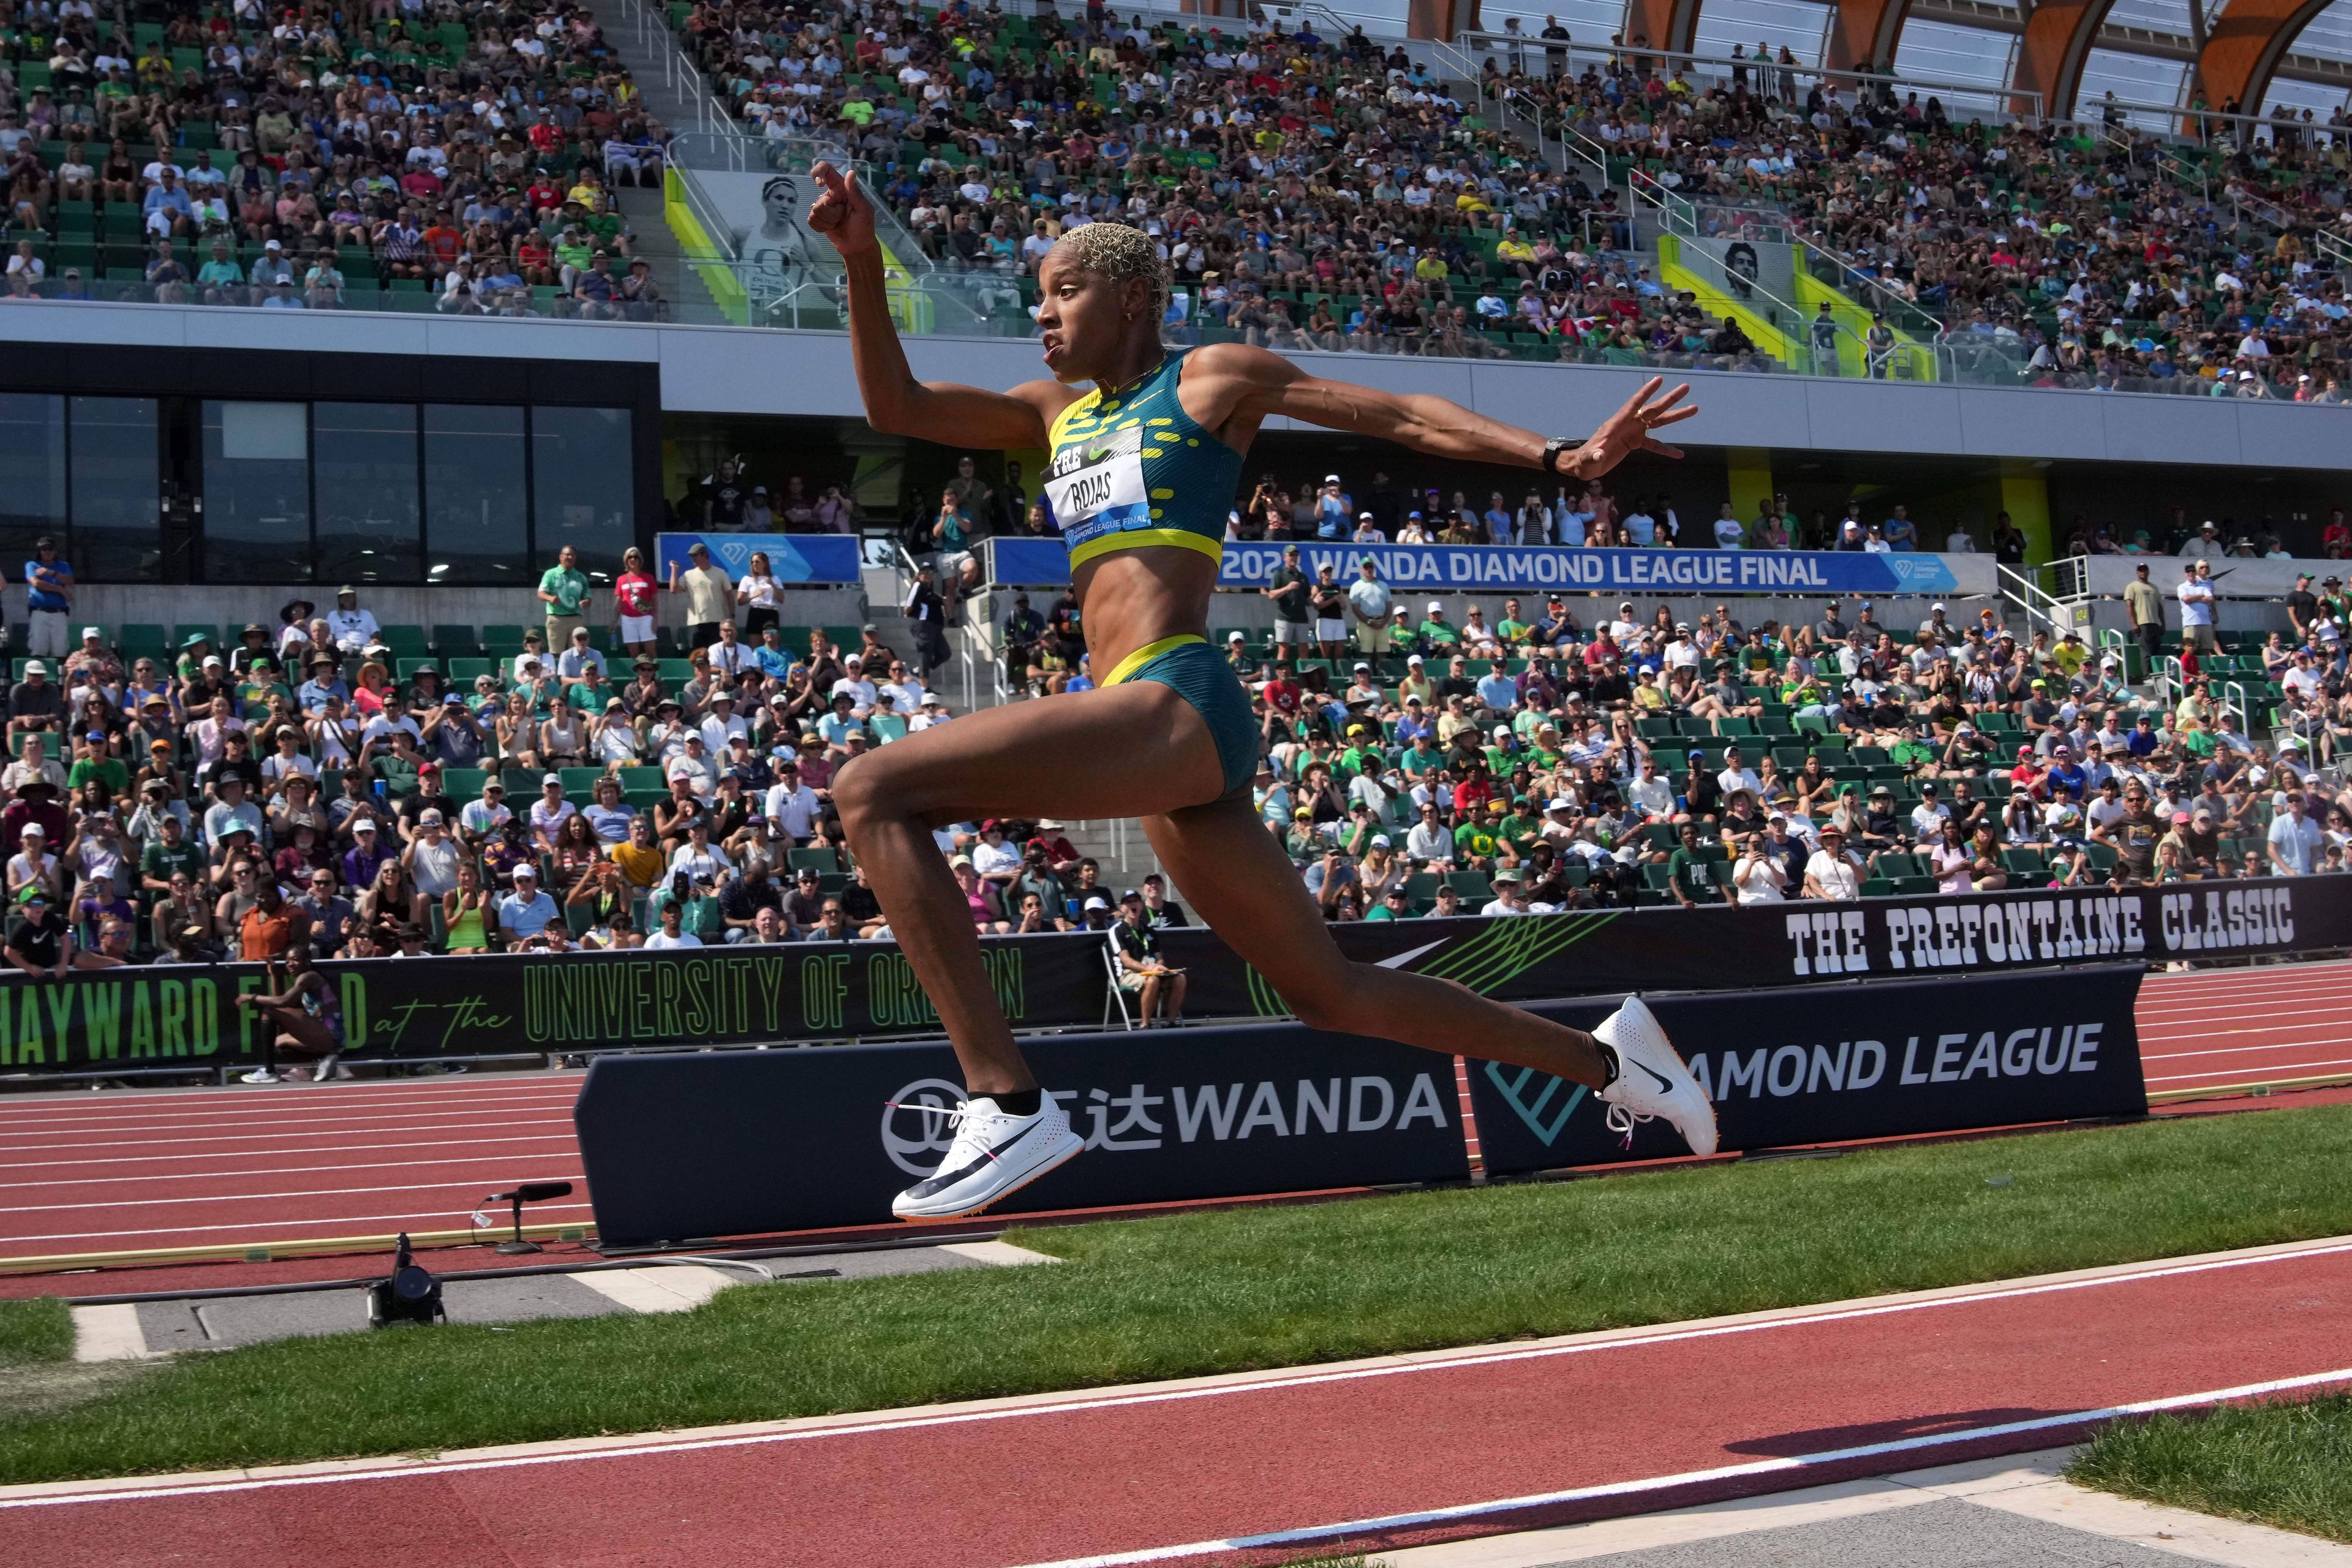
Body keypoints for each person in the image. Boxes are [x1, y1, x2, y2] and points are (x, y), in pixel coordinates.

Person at [808, 163, 1716, 1221]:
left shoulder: (1209, 380)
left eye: (1062, 293)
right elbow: (898, 404)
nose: (1042, 319)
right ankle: (1614, 1064)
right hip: (1147, 727)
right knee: (1331, 993)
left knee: (872, 789)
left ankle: (1005, 1101)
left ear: (1131, 297)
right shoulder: (1050, 412)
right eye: (1037, 301)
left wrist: (1559, 455)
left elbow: (1397, 417)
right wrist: (863, 262)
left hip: (1176, 691)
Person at [233, 944, 346, 1083]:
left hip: (330, 1034)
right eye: (287, 961)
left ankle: (269, 1072)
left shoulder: (309, 977)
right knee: (279, 1043)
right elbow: (282, 1005)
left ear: (307, 961)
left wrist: (251, 997)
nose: (290, 964)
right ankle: (323, 1060)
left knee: (269, 1011)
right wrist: (274, 976)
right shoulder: (304, 983)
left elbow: (282, 1002)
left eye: (295, 960)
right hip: (325, 1038)